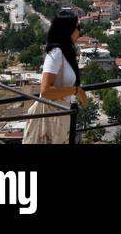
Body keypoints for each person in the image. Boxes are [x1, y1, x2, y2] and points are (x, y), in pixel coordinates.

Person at [22, 8, 89, 145]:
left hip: (60, 115)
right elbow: (45, 91)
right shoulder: (56, 53)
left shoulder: (66, 52)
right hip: (53, 116)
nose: (79, 31)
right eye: (77, 27)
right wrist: (76, 90)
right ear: (67, 29)